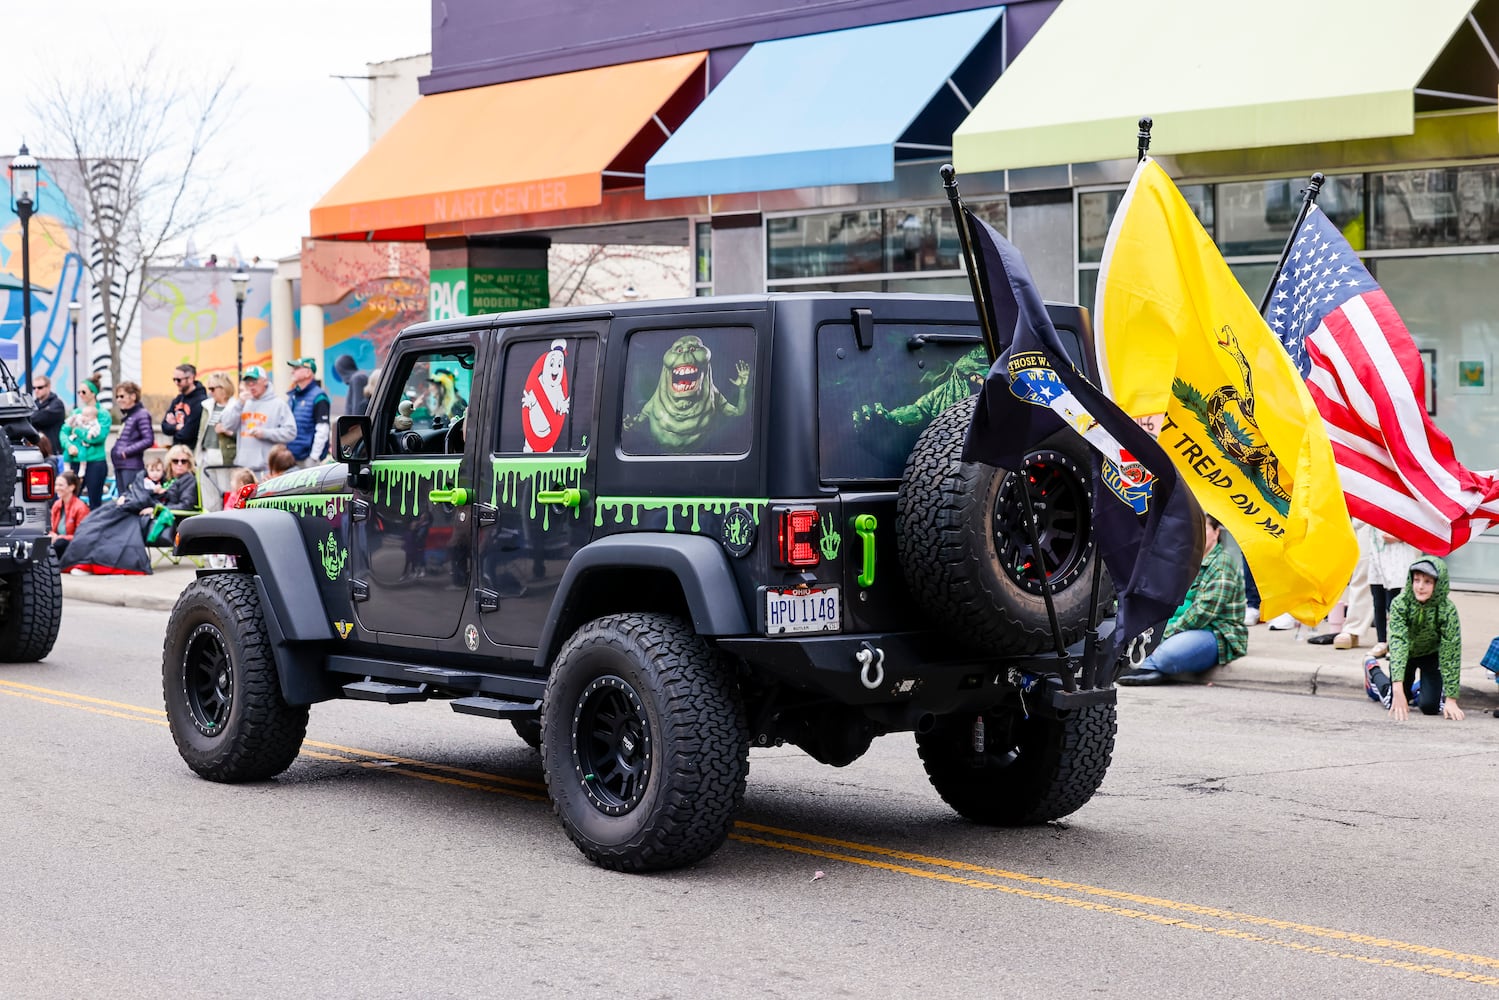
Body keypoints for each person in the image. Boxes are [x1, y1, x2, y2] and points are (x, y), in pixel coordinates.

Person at [1118, 514, 1248, 685]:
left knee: (1168, 654)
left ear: (1216, 532)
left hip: (1215, 633)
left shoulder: (1223, 563)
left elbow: (1203, 613)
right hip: (1180, 628)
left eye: (1204, 530)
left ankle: (1147, 665)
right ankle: (1148, 665)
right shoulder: (1185, 560)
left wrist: (1164, 634)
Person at [1364, 557, 1464, 721]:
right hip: (1406, 655)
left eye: (1427, 582)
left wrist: (1451, 699)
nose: (1420, 586)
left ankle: (1420, 689)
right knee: (1393, 702)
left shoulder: (1447, 609)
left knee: (1431, 707)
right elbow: (1398, 643)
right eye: (1416, 580)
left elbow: (1451, 652)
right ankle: (1372, 670)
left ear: (1438, 584)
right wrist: (1397, 688)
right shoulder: (1400, 603)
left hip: (1431, 654)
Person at [215, 366, 296, 478]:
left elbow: (291, 432)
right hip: (243, 467)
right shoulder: (243, 403)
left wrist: (265, 433)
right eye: (248, 382)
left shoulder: (278, 404)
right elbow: (227, 425)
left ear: (265, 381)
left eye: (254, 381)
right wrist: (239, 404)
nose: (251, 385)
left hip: (267, 469)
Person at [63, 380, 111, 508]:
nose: (80, 394)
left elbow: (98, 437)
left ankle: (94, 527)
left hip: (95, 462)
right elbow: (64, 432)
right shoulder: (76, 413)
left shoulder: (103, 414)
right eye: (78, 392)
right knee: (70, 499)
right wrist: (69, 445)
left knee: (95, 502)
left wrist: (78, 431)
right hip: (75, 460)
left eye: (83, 391)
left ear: (93, 393)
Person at [284, 357, 331, 466]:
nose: (292, 371)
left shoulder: (319, 397)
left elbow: (322, 430)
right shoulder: (293, 396)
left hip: (307, 459)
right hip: (291, 457)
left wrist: (313, 457)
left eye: (296, 368)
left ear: (308, 372)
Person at [110, 381, 155, 491]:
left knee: (130, 499)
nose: (119, 400)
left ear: (133, 396)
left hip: (131, 466)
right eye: (117, 397)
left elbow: (149, 439)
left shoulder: (141, 414)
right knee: (122, 500)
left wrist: (127, 452)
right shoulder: (129, 416)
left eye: (122, 396)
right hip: (121, 465)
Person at [161, 364, 208, 448]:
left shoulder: (201, 401)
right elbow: (164, 426)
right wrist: (177, 427)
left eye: (179, 380)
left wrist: (173, 427)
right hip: (176, 448)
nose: (176, 383)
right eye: (174, 379)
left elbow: (188, 433)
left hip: (192, 450)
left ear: (190, 379)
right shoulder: (177, 400)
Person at [47, 470, 89, 562]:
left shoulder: (81, 507)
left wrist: (60, 538)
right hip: (58, 541)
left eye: (61, 485)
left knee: (59, 544)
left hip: (73, 544)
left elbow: (82, 535)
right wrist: (52, 535)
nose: (57, 488)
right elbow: (51, 528)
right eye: (56, 485)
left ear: (72, 487)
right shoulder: (57, 504)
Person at [198, 372, 236, 467]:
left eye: (212, 389)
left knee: (224, 482)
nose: (210, 392)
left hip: (225, 453)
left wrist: (227, 431)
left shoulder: (235, 407)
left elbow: (243, 434)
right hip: (206, 452)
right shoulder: (207, 406)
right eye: (209, 389)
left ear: (223, 388)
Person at [29, 374, 67, 458]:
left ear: (48, 386)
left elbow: (41, 418)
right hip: (37, 451)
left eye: (40, 387)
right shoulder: (33, 404)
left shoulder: (57, 404)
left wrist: (31, 416)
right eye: (34, 388)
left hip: (54, 452)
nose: (36, 390)